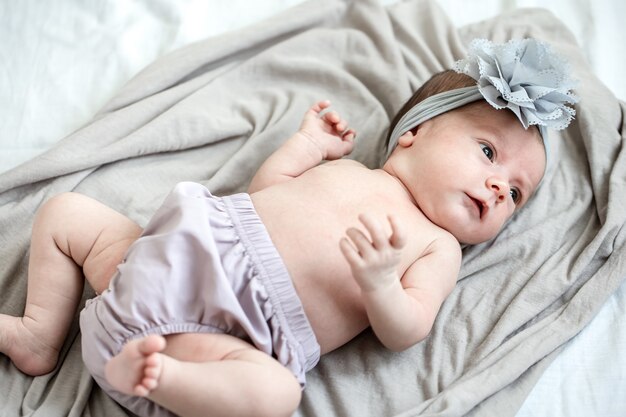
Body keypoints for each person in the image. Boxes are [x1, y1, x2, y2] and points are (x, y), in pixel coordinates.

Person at [0, 38, 576, 417]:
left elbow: (408, 329)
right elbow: (265, 194)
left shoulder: (437, 246)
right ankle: (38, 335)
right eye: (486, 151)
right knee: (66, 212)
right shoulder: (349, 168)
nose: (501, 188)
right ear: (413, 134)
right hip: (162, 257)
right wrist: (304, 147)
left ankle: (160, 378)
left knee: (275, 395)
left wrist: (380, 284)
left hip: (219, 332)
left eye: (518, 195)